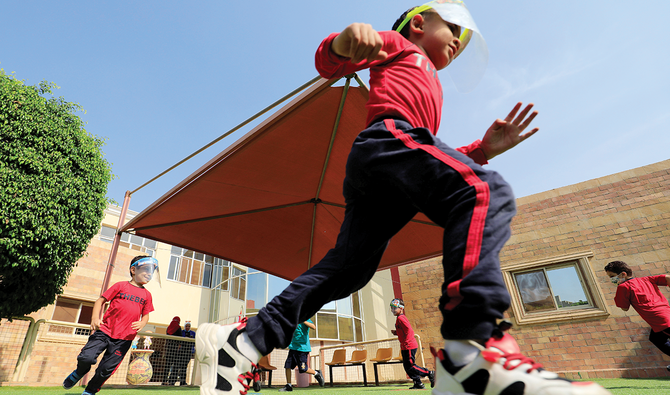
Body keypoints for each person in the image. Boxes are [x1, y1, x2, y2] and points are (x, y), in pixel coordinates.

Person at [196, 2, 611, 394]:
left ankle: (245, 342)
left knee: (349, 270)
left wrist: (482, 150)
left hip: (391, 164)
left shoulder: (430, 83)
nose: (458, 43)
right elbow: (330, 62)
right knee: (485, 190)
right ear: (418, 25)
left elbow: (427, 157)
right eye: (453, 30)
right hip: (385, 141)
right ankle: (473, 345)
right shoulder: (401, 47)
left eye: (464, 44)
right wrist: (344, 41)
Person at [62, 256, 156, 395]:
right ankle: (80, 372)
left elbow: (146, 314)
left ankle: (90, 390)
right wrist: (95, 317)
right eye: (146, 269)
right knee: (86, 357)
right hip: (104, 331)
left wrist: (143, 322)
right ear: (133, 270)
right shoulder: (120, 286)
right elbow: (100, 301)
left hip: (124, 339)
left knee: (105, 369)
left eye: (152, 271)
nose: (149, 273)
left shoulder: (147, 295)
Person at [605, 260, 670, 370]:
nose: (611, 280)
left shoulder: (623, 287)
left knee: (658, 339)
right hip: (666, 314)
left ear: (623, 274)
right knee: (656, 338)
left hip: (660, 320)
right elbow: (668, 277)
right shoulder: (646, 279)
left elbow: (624, 307)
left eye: (612, 276)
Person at [389, 299, 434, 389]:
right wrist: (396, 332)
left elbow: (409, 330)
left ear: (401, 309)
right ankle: (418, 383)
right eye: (392, 308)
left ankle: (430, 373)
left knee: (410, 366)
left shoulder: (401, 318)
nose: (393, 310)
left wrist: (407, 342)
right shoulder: (399, 318)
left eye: (395, 308)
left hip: (408, 345)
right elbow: (403, 331)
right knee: (407, 366)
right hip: (405, 346)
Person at [278, 319, 324, 392]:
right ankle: (288, 386)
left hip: (302, 349)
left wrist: (303, 321)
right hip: (293, 348)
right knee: (287, 366)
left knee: (303, 369)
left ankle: (317, 373)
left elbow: (313, 327)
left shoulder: (305, 318)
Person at [164, 316, 183, 385]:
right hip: (175, 349)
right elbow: (180, 338)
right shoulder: (178, 328)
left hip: (168, 348)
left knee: (167, 365)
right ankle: (172, 380)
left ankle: (164, 380)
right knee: (175, 365)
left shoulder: (168, 328)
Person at [176, 321, 196, 386]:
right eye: (186, 326)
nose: (187, 327)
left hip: (188, 352)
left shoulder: (193, 333)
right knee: (179, 366)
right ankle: (177, 380)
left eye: (189, 326)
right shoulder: (182, 332)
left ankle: (183, 381)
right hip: (181, 351)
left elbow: (194, 342)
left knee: (184, 367)